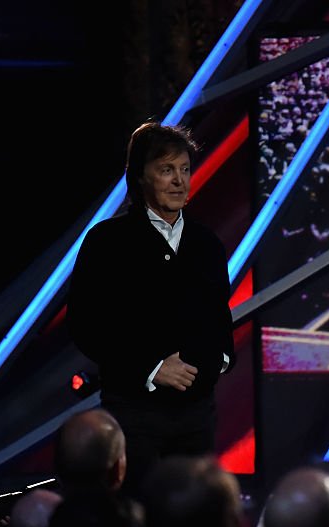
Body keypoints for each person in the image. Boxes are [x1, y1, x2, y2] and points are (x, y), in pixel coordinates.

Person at [68, 122, 234, 496]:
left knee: (196, 519)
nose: (179, 181)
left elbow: (218, 318)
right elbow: (86, 325)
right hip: (134, 412)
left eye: (184, 170)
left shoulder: (207, 243)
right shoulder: (106, 242)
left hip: (197, 413)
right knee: (140, 521)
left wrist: (215, 363)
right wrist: (153, 367)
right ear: (141, 177)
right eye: (166, 170)